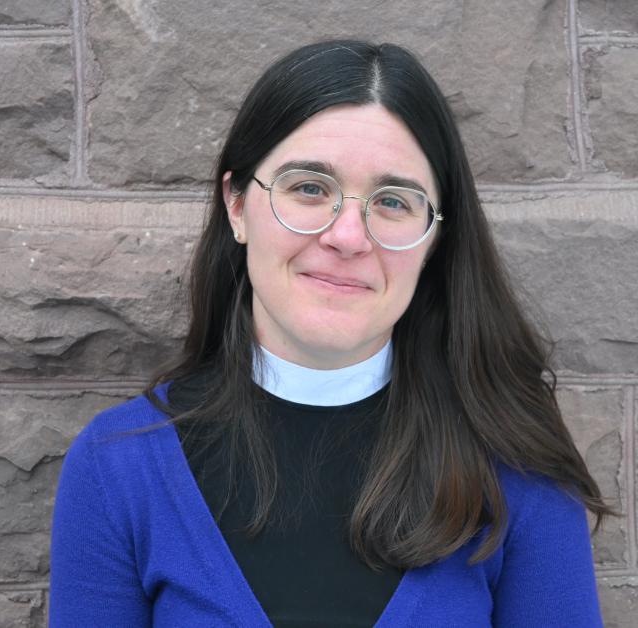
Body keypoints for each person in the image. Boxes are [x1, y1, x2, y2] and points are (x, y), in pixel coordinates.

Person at [50, 40, 613, 627]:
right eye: (310, 188)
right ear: (237, 207)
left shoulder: (517, 473)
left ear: (433, 240)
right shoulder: (119, 468)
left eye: (393, 201)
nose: (348, 236)